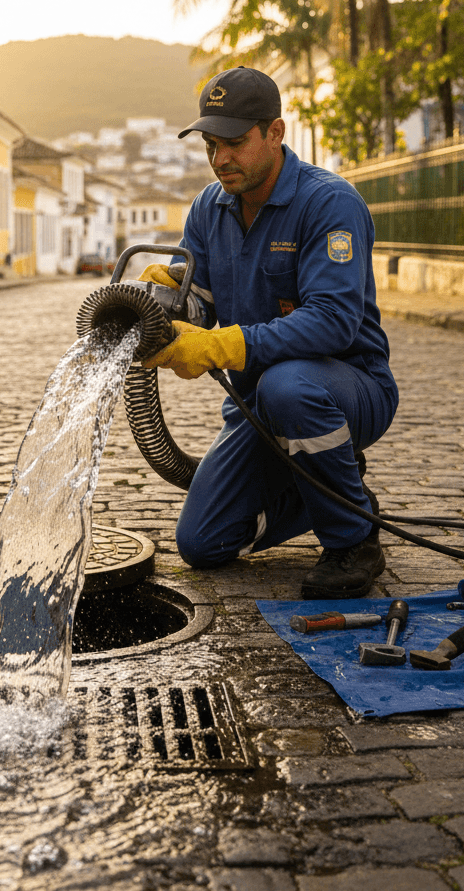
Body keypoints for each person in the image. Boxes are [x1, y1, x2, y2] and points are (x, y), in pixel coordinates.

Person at [140, 66, 398, 599]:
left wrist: (225, 346)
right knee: (202, 543)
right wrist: (170, 301)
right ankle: (336, 487)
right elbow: (202, 307)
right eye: (212, 145)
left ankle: (354, 538)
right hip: (257, 409)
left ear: (275, 133)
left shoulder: (329, 204)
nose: (220, 160)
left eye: (234, 143)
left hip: (347, 387)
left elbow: (333, 320)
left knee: (288, 386)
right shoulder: (208, 209)